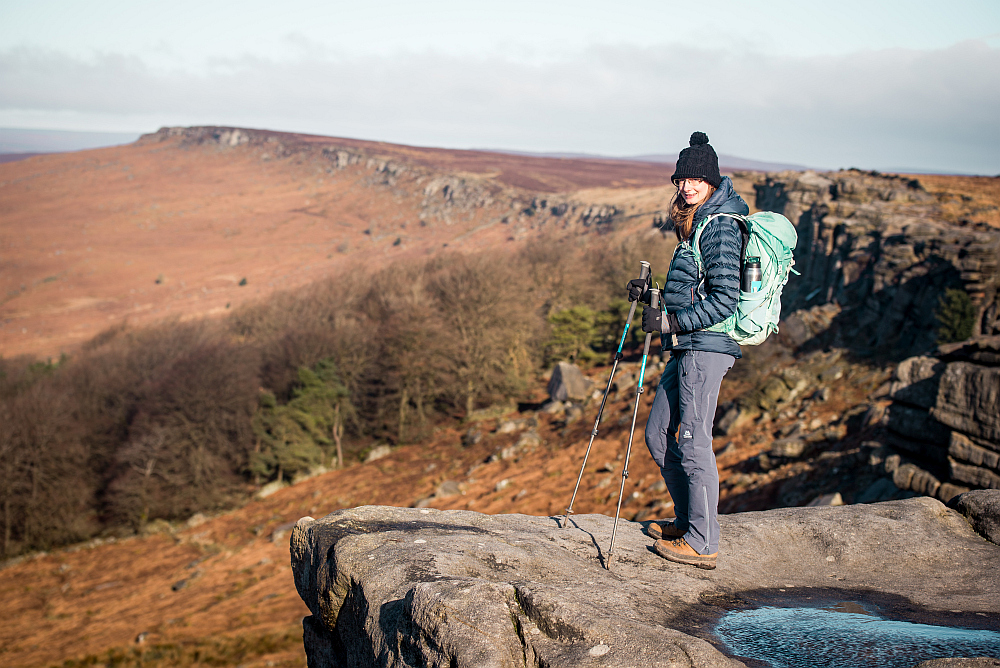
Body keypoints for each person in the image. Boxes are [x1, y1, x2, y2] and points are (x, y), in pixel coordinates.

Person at [627, 131, 747, 570]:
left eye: (696, 178)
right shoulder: (696, 222)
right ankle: (686, 519)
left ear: (712, 182)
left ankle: (703, 541)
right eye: (681, 178)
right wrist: (651, 296)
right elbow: (690, 291)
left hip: (706, 347)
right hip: (684, 345)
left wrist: (672, 323)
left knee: (694, 443)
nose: (687, 186)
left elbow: (724, 301)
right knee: (658, 435)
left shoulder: (720, 228)